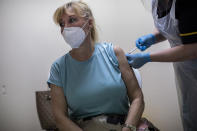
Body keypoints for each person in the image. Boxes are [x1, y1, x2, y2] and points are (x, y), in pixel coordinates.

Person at [47, 1, 145, 131]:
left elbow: (137, 98)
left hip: (122, 125)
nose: (66, 28)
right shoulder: (58, 68)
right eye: (62, 24)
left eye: (72, 20)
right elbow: (59, 117)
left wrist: (128, 128)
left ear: (90, 23)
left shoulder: (114, 53)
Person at [126, 0, 197, 130]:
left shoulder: (187, 3)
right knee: (190, 113)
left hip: (192, 60)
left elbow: (193, 49)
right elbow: (174, 29)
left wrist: (148, 58)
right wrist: (153, 37)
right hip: (185, 69)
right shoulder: (157, 3)